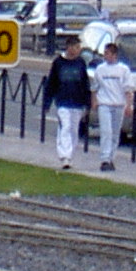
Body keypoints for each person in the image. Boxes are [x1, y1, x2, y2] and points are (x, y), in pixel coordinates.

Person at [40, 33, 94, 170]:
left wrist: (87, 103)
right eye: (75, 47)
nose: (77, 50)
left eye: (79, 47)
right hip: (63, 101)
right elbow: (52, 83)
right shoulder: (59, 63)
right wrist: (47, 102)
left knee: (74, 130)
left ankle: (69, 154)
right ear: (69, 47)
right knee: (65, 126)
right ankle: (64, 155)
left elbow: (85, 84)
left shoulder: (80, 63)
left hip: (77, 102)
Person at [92, 40, 134, 172]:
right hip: (105, 103)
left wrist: (129, 105)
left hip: (118, 104)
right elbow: (94, 87)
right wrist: (94, 100)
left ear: (114, 54)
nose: (105, 56)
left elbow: (128, 89)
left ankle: (111, 158)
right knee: (106, 131)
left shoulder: (123, 70)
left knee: (115, 133)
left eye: (107, 53)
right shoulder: (100, 69)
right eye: (104, 53)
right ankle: (104, 158)